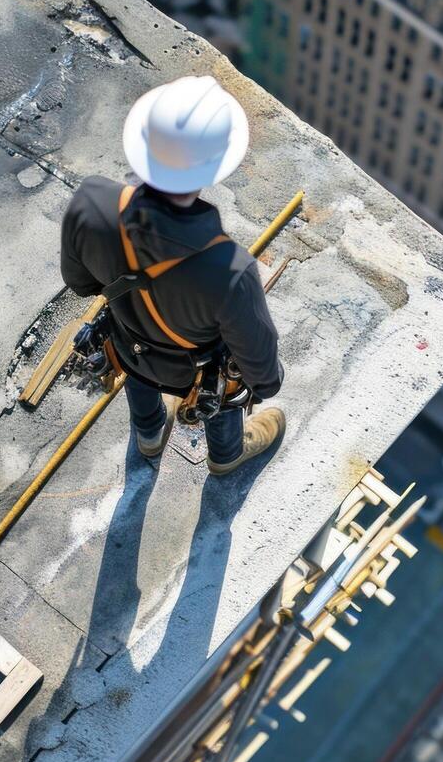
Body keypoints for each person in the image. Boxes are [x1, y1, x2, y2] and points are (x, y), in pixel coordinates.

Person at [60, 75, 285, 475]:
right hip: (197, 376)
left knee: (132, 350)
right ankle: (226, 454)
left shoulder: (90, 201)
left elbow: (80, 284)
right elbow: (261, 372)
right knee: (228, 386)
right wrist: (268, 383)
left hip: (130, 347)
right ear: (213, 167)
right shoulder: (231, 270)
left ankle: (148, 434)